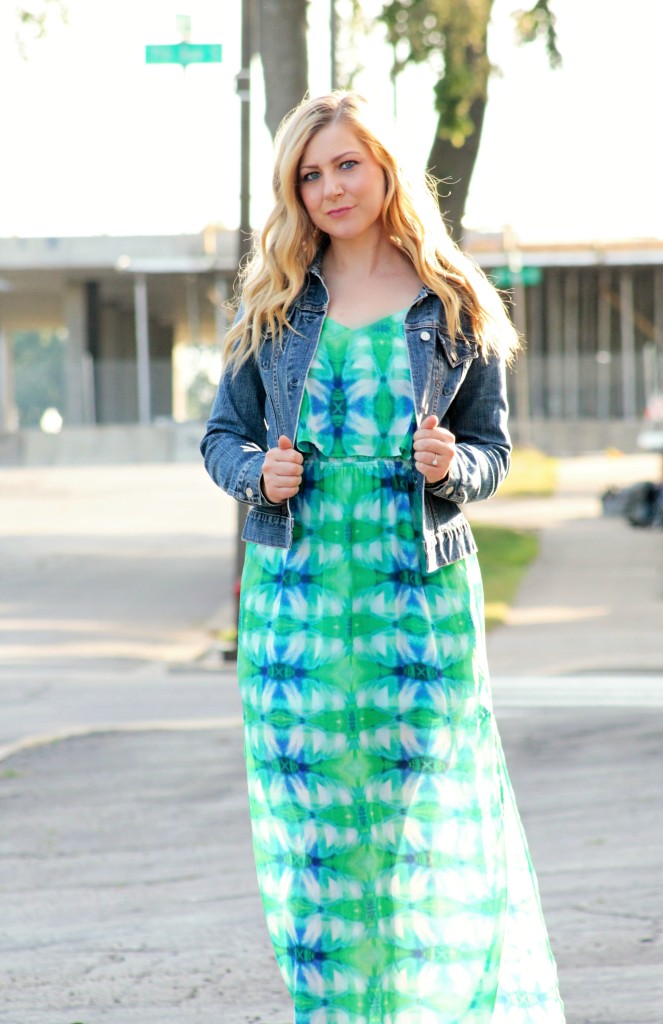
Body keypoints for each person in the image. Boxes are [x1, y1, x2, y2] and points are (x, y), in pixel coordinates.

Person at [201, 91, 565, 1024]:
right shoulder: (273, 306)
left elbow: (493, 450)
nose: (328, 187)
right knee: (318, 837)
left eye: (345, 164)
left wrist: (456, 466)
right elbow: (220, 439)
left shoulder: (451, 301)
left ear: (385, 167)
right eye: (308, 175)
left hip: (419, 598)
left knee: (423, 830)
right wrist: (259, 475)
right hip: (298, 601)